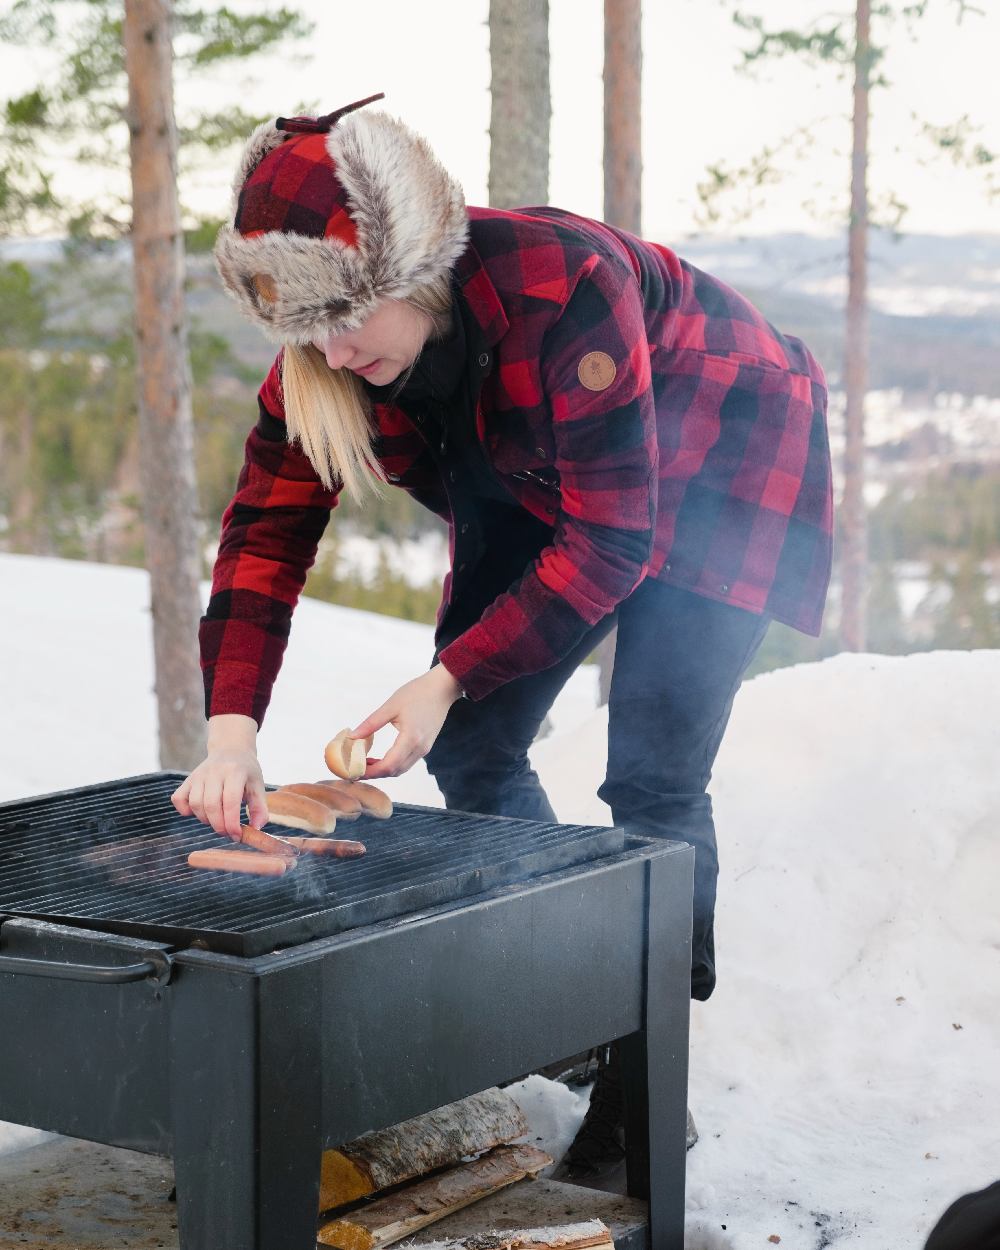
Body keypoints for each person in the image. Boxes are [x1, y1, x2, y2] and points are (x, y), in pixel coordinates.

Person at [171, 93, 834, 1182]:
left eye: (348, 314)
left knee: (654, 777)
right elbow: (260, 539)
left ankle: (645, 1068)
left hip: (724, 451)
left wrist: (441, 676)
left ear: (410, 266)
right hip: (536, 479)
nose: (333, 348)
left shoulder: (563, 284)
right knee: (476, 749)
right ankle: (572, 993)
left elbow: (615, 541)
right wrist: (231, 732)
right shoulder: (327, 362)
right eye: (307, 327)